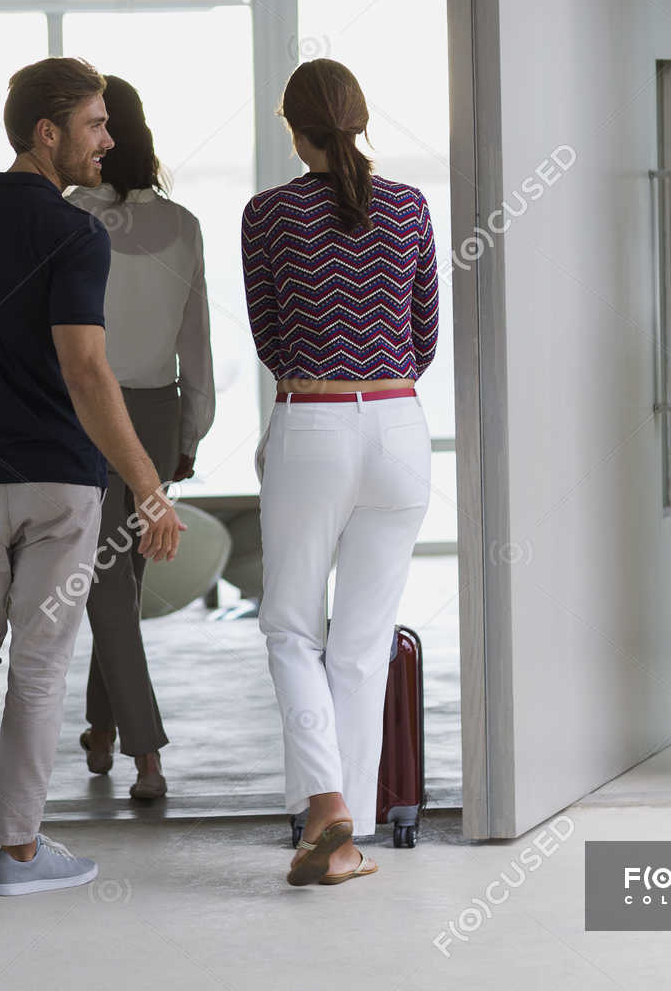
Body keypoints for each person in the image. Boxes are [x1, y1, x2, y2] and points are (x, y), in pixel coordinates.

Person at [0, 56, 185, 919]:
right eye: (96, 124)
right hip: (61, 485)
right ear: (46, 132)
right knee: (41, 668)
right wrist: (149, 487)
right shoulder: (75, 234)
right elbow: (87, 369)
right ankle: (17, 848)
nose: (110, 139)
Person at [240, 58, 437, 887]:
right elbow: (424, 339)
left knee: (290, 627)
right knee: (360, 648)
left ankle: (326, 806)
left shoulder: (268, 215)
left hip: (312, 419)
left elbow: (270, 340)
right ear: (358, 119)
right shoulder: (410, 207)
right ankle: (345, 844)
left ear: (293, 126)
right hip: (399, 425)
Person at [64, 76, 215, 801]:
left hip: (87, 413)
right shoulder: (184, 224)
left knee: (106, 587)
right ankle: (102, 730)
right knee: (117, 585)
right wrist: (193, 428)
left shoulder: (68, 218)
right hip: (157, 415)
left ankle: (146, 752)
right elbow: (199, 343)